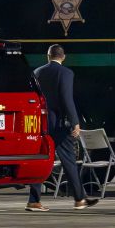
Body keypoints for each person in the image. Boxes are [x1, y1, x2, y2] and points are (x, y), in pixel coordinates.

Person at [26, 44, 98, 211]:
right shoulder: (66, 73)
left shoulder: (37, 72)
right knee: (69, 160)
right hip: (58, 124)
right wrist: (75, 121)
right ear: (63, 57)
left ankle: (34, 200)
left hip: (41, 122)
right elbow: (66, 98)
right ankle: (79, 199)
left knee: (42, 159)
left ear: (48, 56)